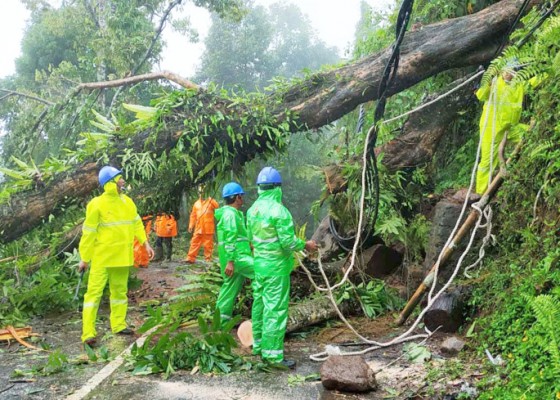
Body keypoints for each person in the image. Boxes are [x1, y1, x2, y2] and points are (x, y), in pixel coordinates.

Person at [246, 167, 317, 368]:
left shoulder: (252, 211)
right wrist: (306, 245)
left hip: (259, 266)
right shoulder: (279, 211)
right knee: (275, 309)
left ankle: (259, 347)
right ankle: (274, 356)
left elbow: (252, 240)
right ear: (278, 188)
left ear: (260, 188)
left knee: (259, 305)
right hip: (276, 268)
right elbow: (288, 242)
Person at [78, 166, 155, 346]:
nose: (122, 181)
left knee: (120, 293)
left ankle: (119, 325)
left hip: (122, 257)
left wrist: (145, 243)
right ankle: (88, 333)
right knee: (93, 295)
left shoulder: (128, 202)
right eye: (119, 178)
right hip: (102, 258)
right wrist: (84, 258)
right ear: (110, 183)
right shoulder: (96, 204)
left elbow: (136, 224)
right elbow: (88, 233)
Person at [475, 63, 524, 194]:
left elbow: (533, 83)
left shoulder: (518, 85)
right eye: (507, 71)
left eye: (512, 71)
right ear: (502, 71)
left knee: (530, 135)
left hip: (510, 127)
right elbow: (480, 96)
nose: (509, 74)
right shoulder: (495, 84)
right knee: (487, 162)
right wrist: (488, 82)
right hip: (491, 129)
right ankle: (481, 193)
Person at [215, 182, 254, 328]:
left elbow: (239, 237)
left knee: (229, 291)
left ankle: (220, 324)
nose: (242, 199)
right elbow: (231, 238)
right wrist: (231, 261)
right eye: (241, 196)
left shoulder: (231, 214)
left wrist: (249, 245)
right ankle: (262, 316)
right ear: (237, 197)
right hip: (238, 257)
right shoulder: (230, 215)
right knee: (263, 272)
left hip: (235, 256)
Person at [185, 186, 219, 264]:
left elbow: (218, 209)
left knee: (208, 244)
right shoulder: (196, 204)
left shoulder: (211, 201)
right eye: (200, 192)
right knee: (194, 242)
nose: (201, 194)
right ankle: (190, 258)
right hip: (198, 228)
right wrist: (191, 225)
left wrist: (211, 200)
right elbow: (193, 215)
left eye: (203, 192)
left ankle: (208, 259)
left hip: (208, 227)